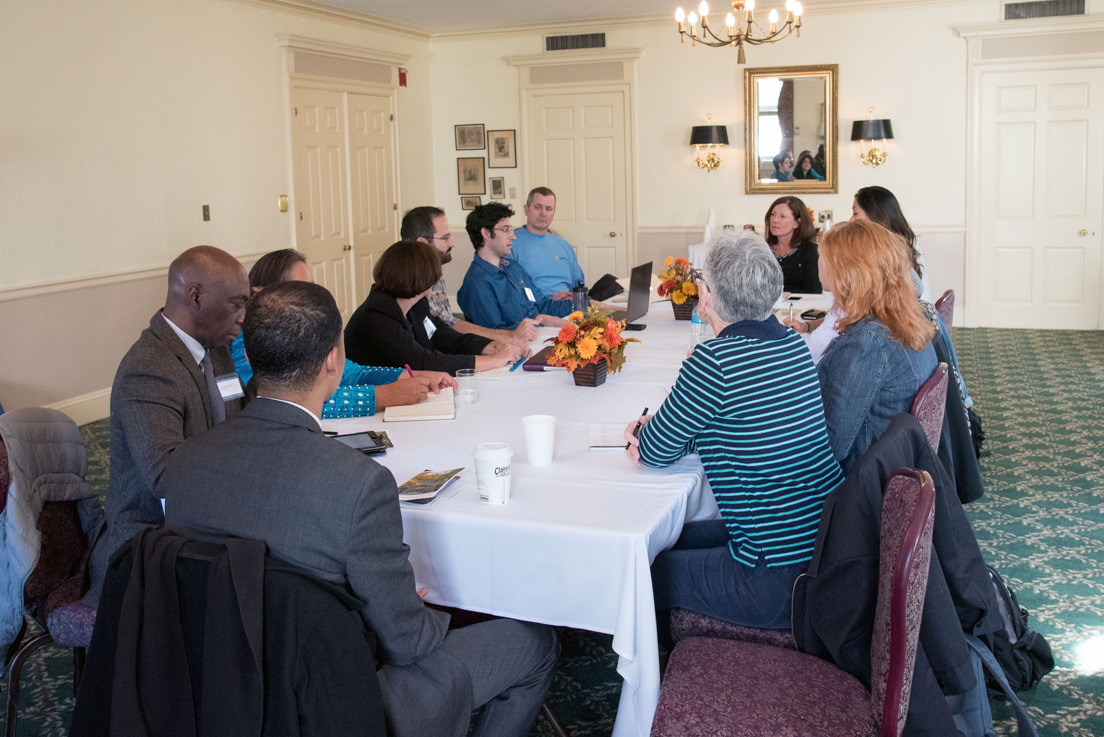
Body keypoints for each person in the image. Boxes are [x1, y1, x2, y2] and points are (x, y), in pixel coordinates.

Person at [162, 281, 558, 737]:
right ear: (333, 360)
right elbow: (408, 642)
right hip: (335, 703)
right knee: (533, 641)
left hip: (218, 690)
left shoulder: (184, 463)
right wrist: (416, 608)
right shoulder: (357, 484)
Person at [623, 231, 844, 632]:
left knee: (638, 571)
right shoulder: (791, 344)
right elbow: (730, 422)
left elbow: (654, 451)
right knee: (671, 537)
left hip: (772, 575)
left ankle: (680, 671)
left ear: (706, 296)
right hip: (821, 547)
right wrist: (668, 433)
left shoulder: (714, 360)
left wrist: (646, 433)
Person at [90, 245, 250, 592]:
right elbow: (166, 477)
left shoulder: (216, 350)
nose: (242, 316)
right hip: (150, 543)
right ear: (195, 296)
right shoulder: (149, 369)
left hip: (205, 517)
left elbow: (240, 416)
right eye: (236, 304)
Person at [231, 249, 455, 417]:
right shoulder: (247, 342)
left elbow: (352, 374)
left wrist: (411, 376)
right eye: (301, 289)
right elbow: (286, 403)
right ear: (262, 295)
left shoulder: (312, 331)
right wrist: (384, 396)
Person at [815, 220, 937, 472]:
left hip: (859, 482)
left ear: (847, 271)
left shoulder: (867, 344)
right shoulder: (904, 320)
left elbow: (829, 447)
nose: (819, 262)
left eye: (822, 256)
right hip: (893, 465)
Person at [345, 240, 528, 374]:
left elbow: (442, 336)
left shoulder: (415, 303)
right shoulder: (376, 317)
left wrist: (491, 346)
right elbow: (424, 362)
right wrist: (494, 361)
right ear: (422, 278)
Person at [401, 206, 539, 344]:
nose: (452, 243)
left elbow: (447, 325)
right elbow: (447, 326)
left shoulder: (436, 275)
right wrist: (510, 337)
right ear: (422, 243)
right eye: (445, 238)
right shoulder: (408, 280)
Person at [457, 202, 573, 330]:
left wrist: (581, 304)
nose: (513, 236)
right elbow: (494, 334)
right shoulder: (477, 284)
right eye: (506, 230)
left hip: (539, 334)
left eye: (511, 229)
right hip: (519, 346)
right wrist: (541, 320)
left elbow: (542, 305)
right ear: (486, 233)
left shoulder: (512, 267)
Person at [851, 185, 931, 302]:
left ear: (874, 215)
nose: (850, 221)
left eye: (855, 213)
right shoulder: (905, 247)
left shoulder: (889, 255)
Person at [510, 187, 585, 297]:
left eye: (548, 208)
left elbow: (578, 285)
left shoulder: (564, 245)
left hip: (568, 306)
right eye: (538, 207)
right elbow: (511, 289)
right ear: (526, 209)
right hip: (536, 308)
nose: (543, 213)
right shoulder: (510, 243)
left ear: (553, 212)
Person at [765, 195, 821, 293]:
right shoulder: (762, 250)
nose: (775, 220)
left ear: (797, 223)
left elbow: (814, 291)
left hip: (802, 306)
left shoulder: (810, 252)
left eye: (782, 216)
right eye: (773, 215)